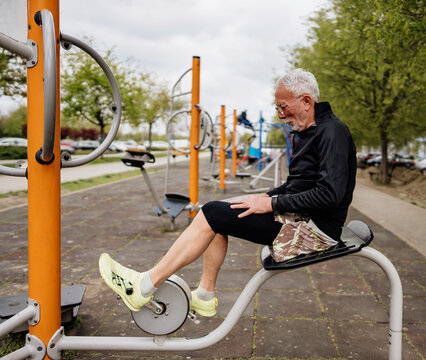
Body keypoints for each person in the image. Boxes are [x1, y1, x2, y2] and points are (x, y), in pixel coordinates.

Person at [99, 69, 357, 317]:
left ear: (306, 101)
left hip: (316, 231)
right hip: (300, 216)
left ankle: (143, 286)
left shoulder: (332, 132)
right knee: (221, 209)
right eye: (276, 108)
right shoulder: (307, 129)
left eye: (283, 107)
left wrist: (273, 203)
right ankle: (204, 296)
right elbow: (298, 185)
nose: (280, 114)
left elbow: (329, 195)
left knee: (213, 213)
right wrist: (266, 197)